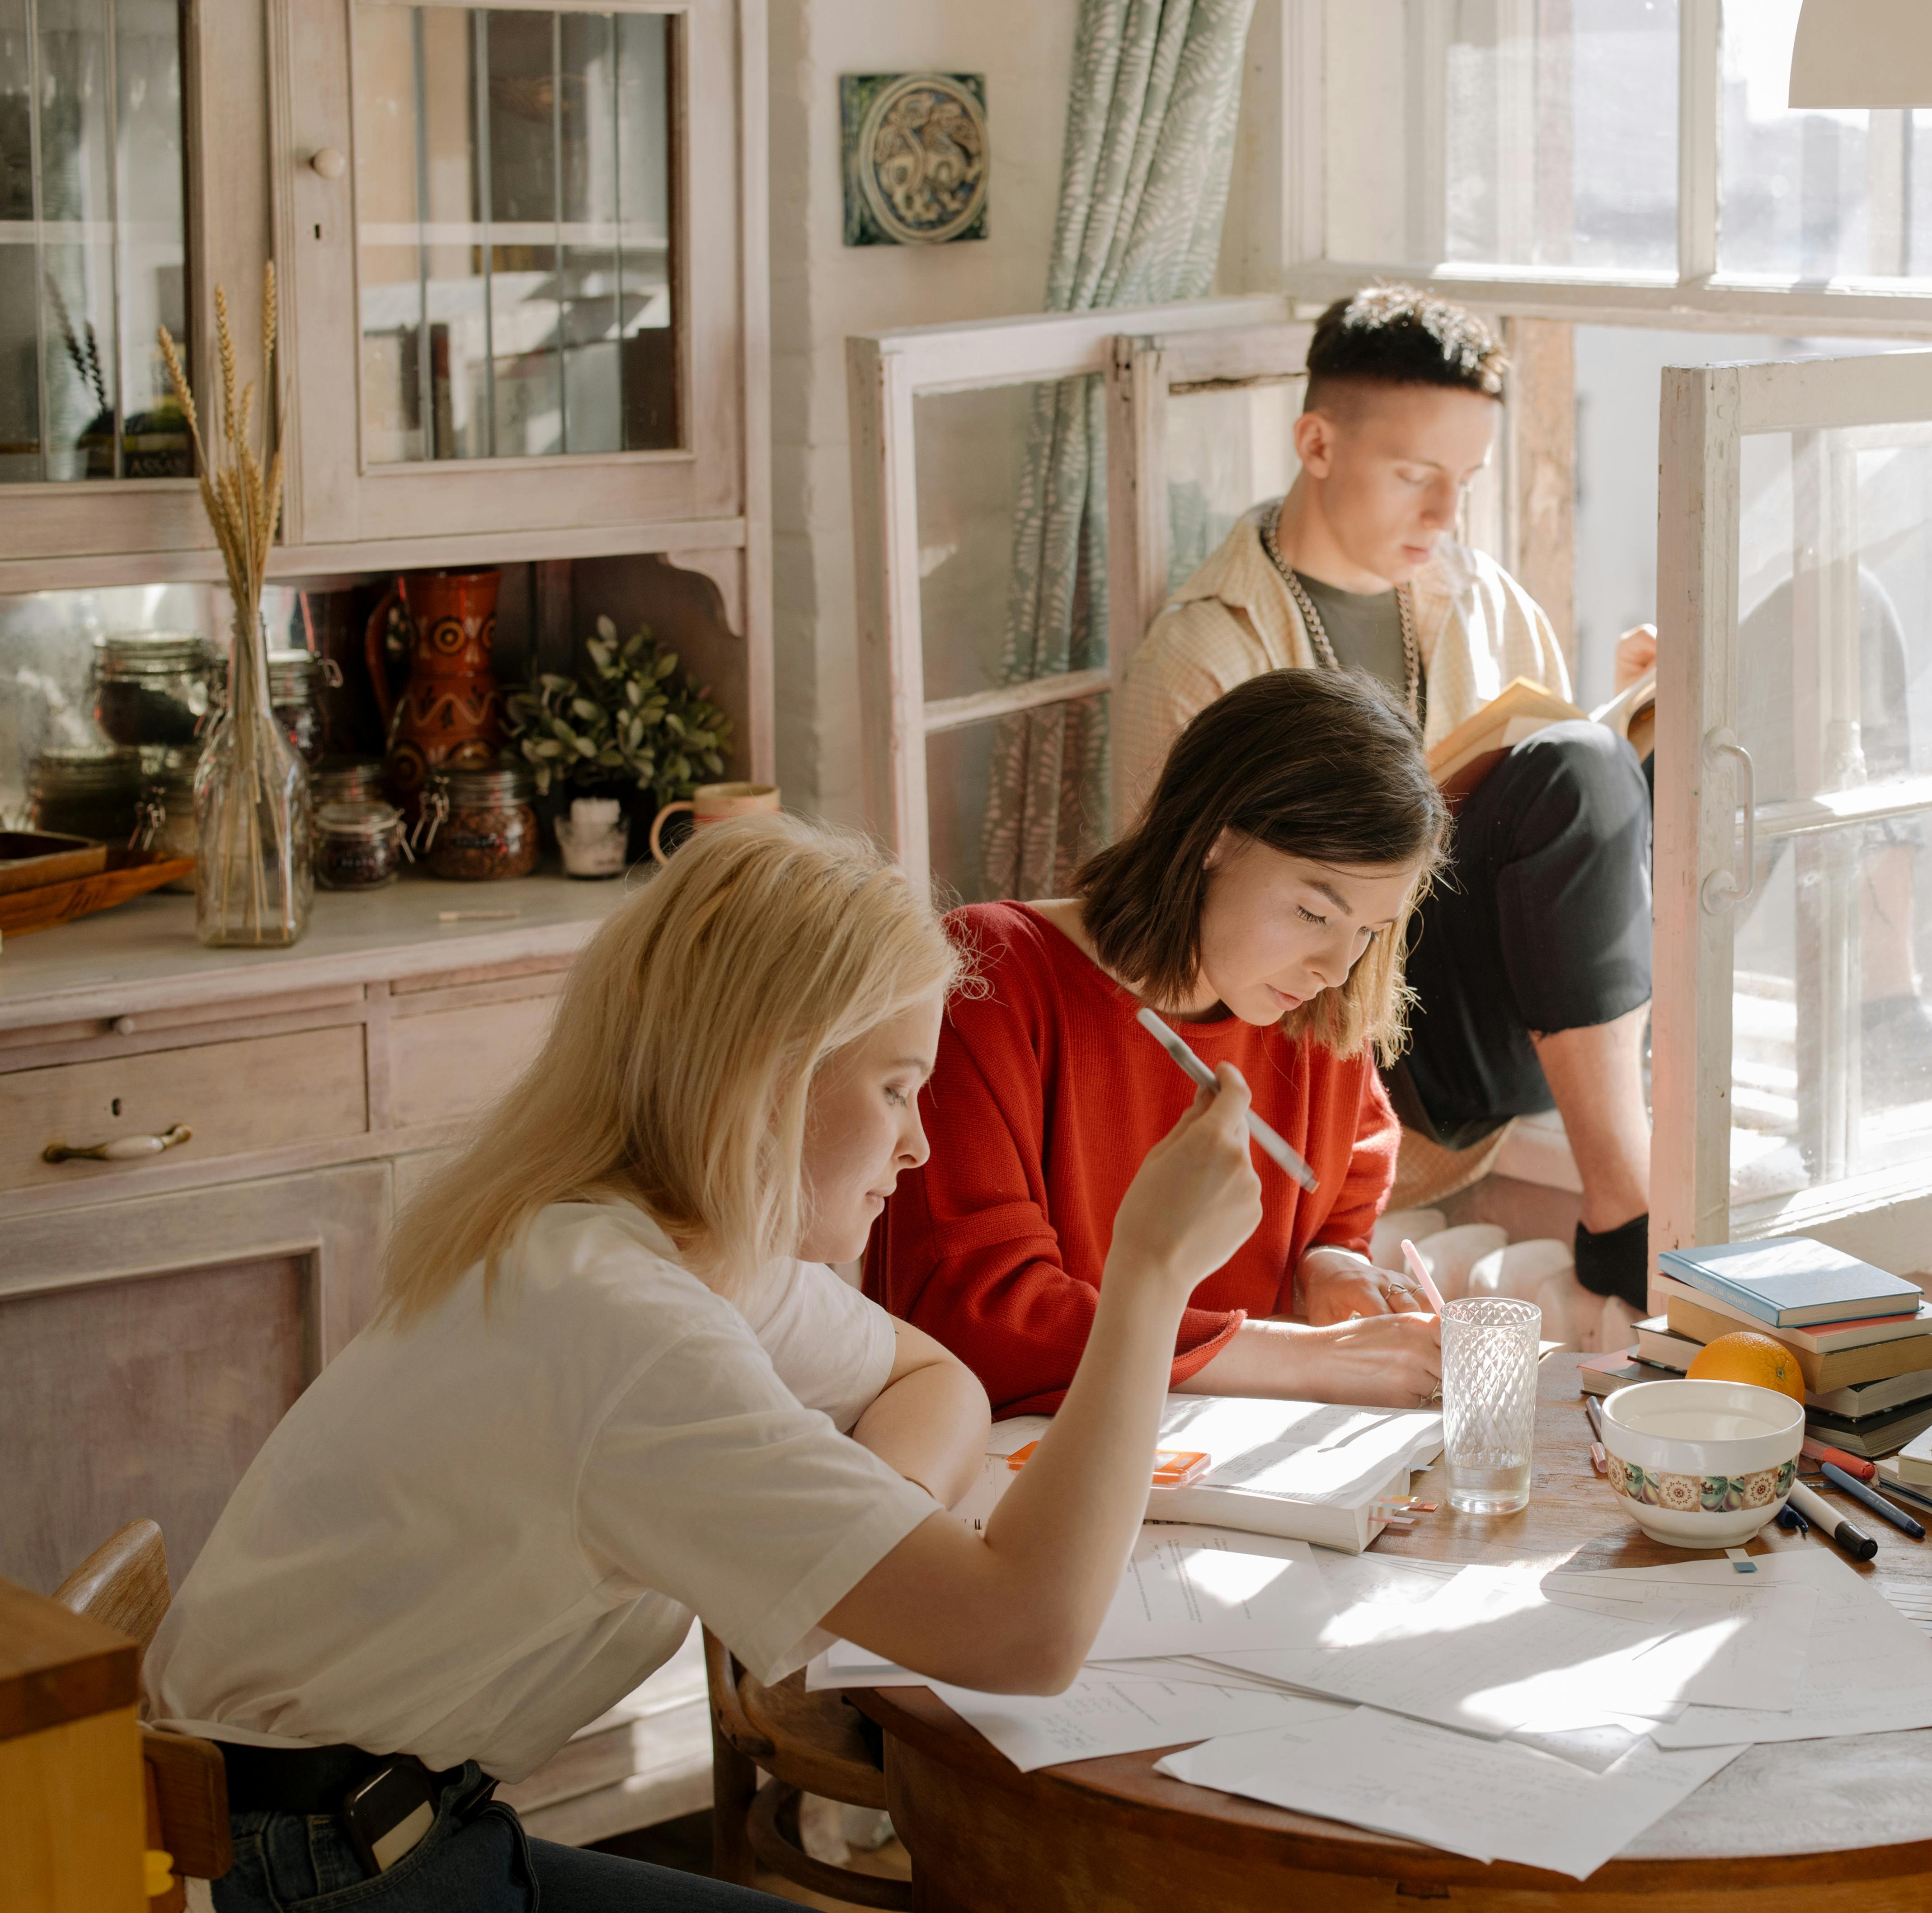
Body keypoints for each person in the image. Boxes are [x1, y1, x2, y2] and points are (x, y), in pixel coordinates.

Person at [146, 814, 1265, 1911]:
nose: (918, 1141)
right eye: (893, 1086)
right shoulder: (624, 1326)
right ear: (767, 1076)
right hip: (315, 1865)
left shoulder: (655, 1240)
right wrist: (1149, 1275)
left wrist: (878, 1529)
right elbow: (1028, 1633)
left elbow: (935, 1378)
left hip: (376, 1821)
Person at [1114, 284, 1658, 1318]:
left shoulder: (1486, 598)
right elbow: (1176, 942)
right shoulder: (1207, 650)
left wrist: (1639, 727)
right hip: (1355, 1048)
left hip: (1510, 1020)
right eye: (1414, 474)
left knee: (1722, 694)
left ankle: (1642, 1142)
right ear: (1315, 443)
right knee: (1577, 770)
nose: (1445, 513)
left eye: (1466, 478)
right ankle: (1627, 1212)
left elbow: (1553, 841)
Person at [870, 669, 1452, 1415]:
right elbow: (980, 1317)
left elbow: (1347, 1183)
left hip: (1239, 1460)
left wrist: (1328, 1263)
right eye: (1313, 913)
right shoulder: (994, 976)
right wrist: (1309, 1360)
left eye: (1369, 931)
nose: (1337, 967)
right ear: (1212, 839)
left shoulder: (1310, 1002)